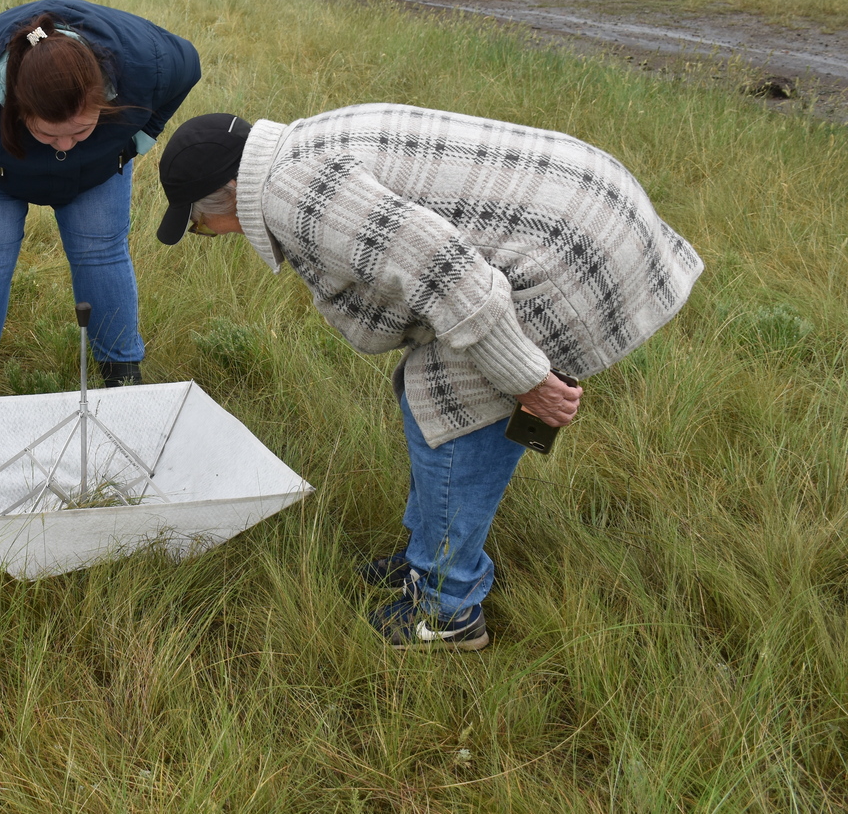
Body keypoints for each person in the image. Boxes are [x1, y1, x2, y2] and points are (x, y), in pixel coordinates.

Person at [155, 105, 703, 650]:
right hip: (586, 207)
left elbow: (448, 273)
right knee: (432, 394)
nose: (210, 232)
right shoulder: (296, 152)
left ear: (230, 192)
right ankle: (428, 559)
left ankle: (448, 607)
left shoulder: (295, 195)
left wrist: (528, 380)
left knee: (454, 411)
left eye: (200, 225)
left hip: (575, 251)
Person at [0, 0, 200, 399]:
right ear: (18, 108)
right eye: (48, 134)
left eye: (80, 130)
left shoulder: (145, 61)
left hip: (98, 167)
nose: (64, 144)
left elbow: (189, 66)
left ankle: (123, 385)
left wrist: (135, 144)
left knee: (101, 254)